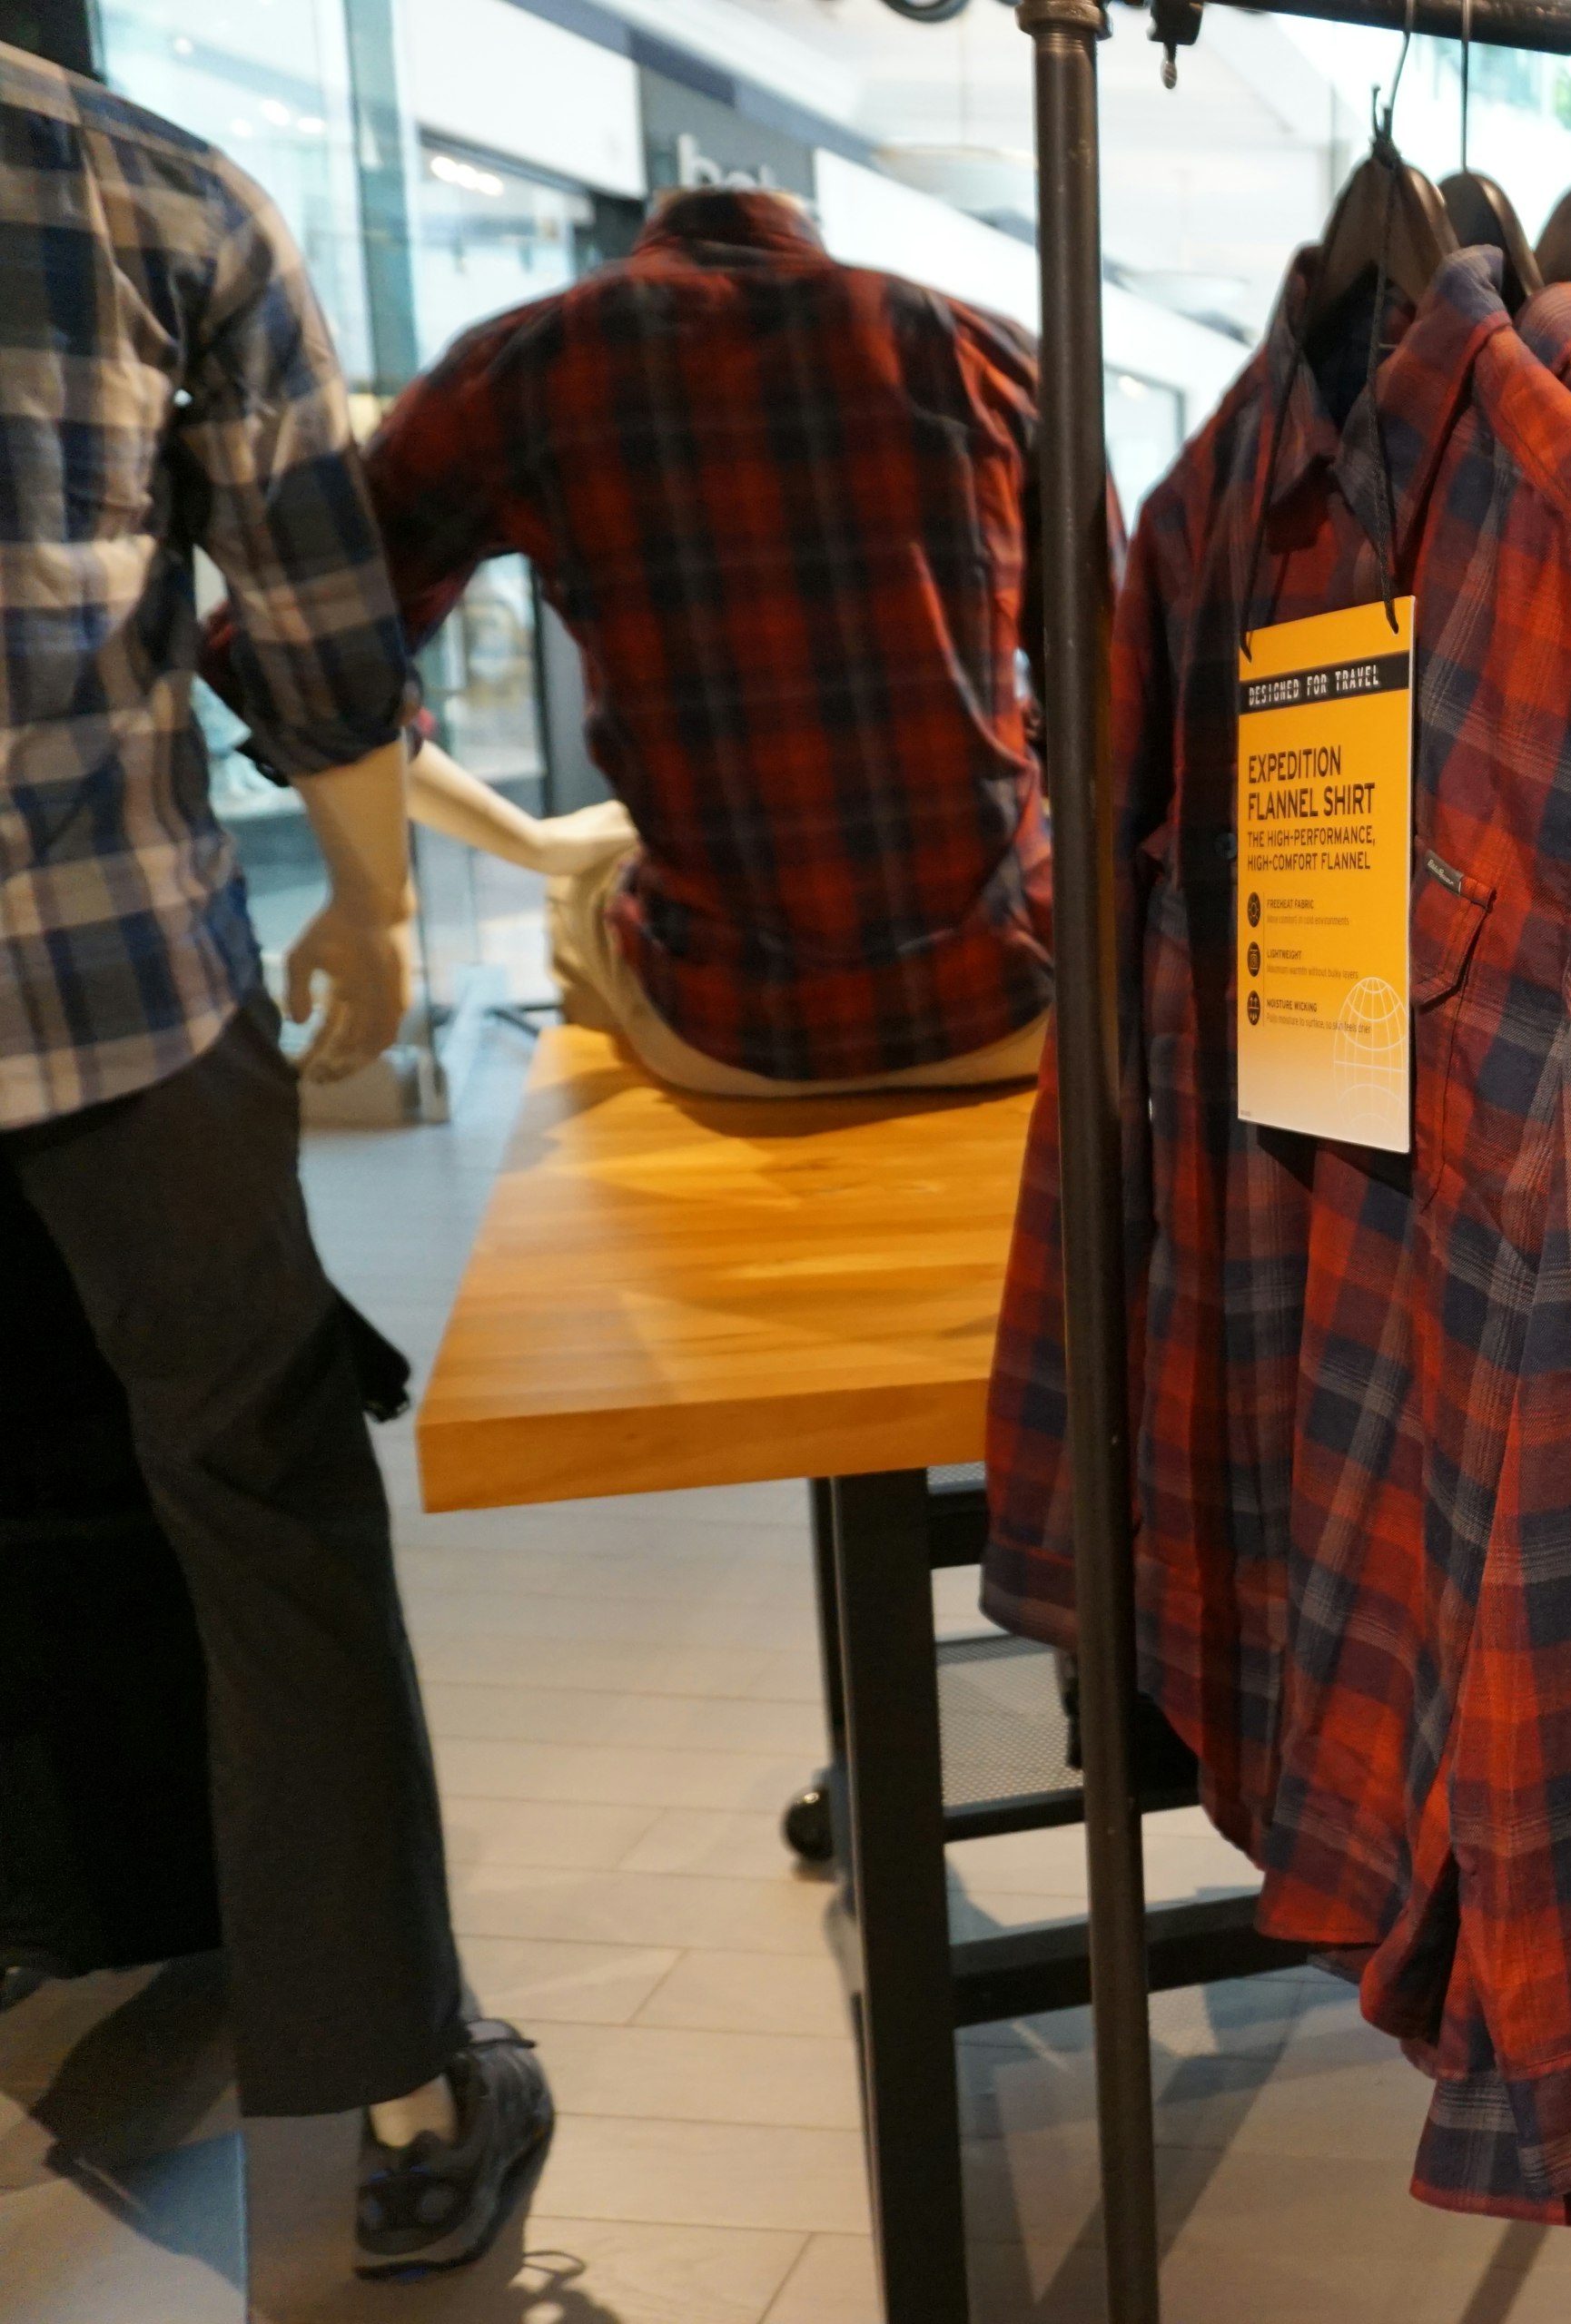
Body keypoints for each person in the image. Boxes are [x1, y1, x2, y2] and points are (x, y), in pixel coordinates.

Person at [0, 44, 550, 2278]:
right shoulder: (139, 187)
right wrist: (375, 896)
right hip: (114, 980)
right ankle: (391, 2087)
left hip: (113, 976)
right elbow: (311, 605)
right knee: (262, 1495)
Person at [315, 182, 1062, 1100]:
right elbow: (1113, 685)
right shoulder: (985, 351)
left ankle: (654, 1205)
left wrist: (386, 899)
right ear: (805, 234)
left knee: (578, 881)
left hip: (729, 1034)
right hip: (1020, 998)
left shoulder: (521, 364)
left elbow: (309, 650)